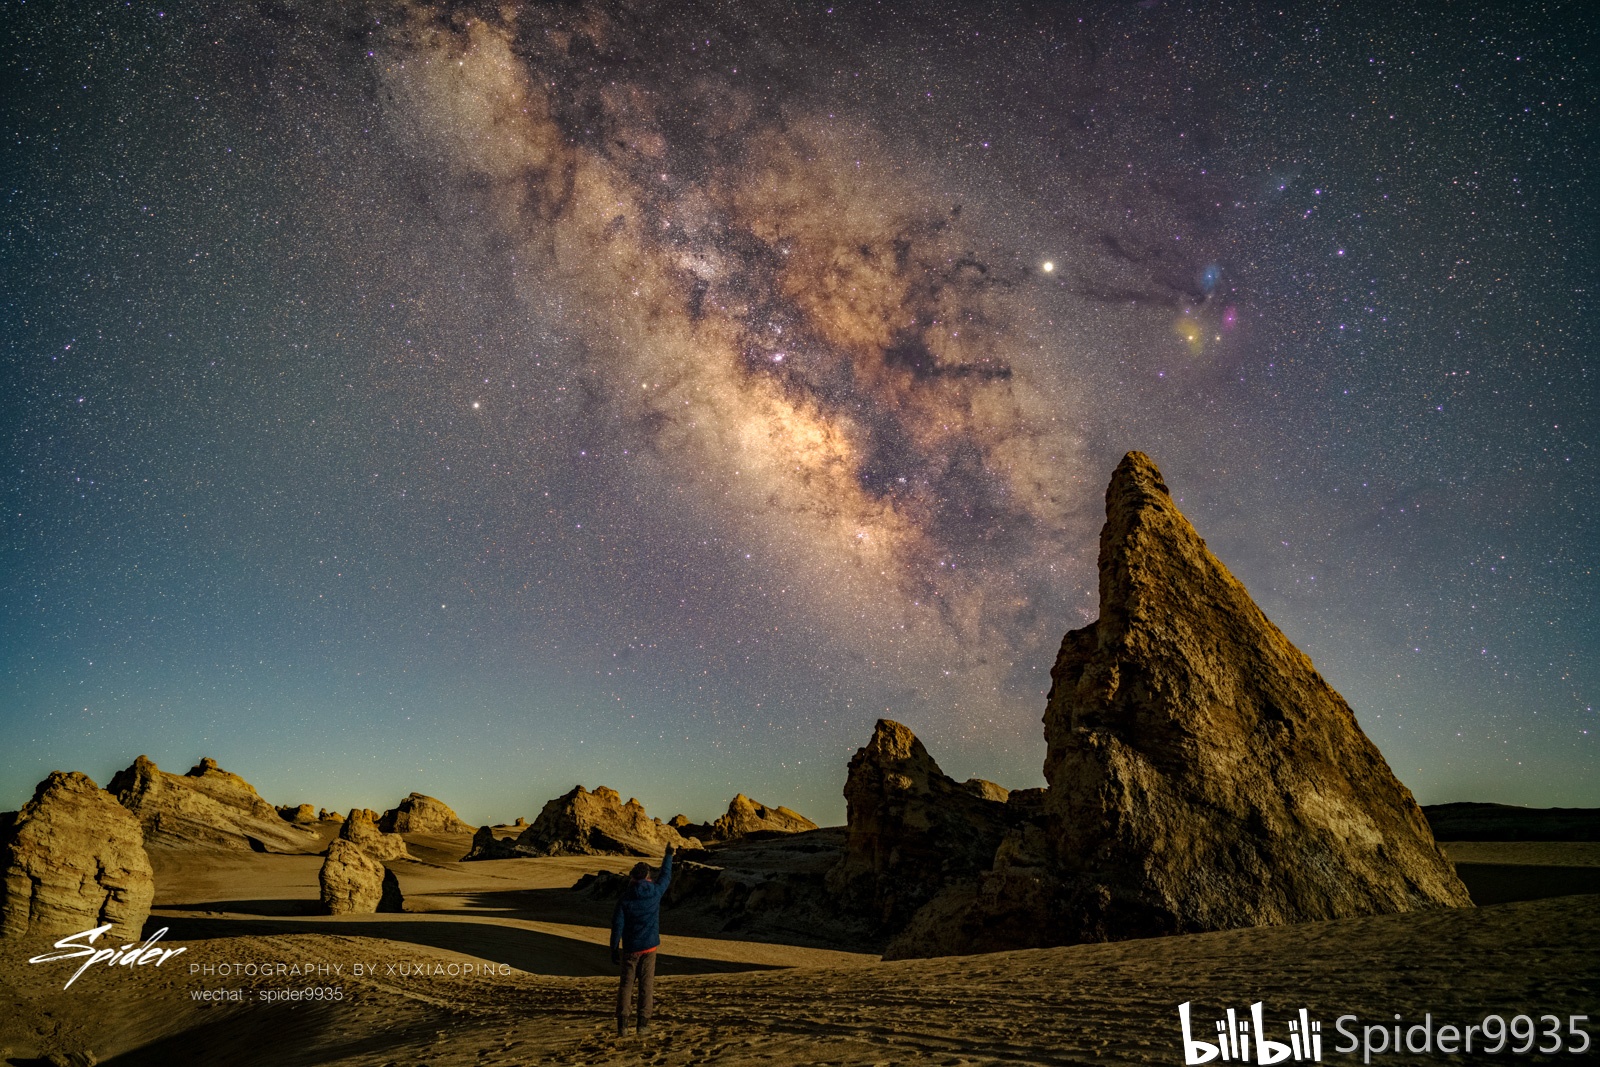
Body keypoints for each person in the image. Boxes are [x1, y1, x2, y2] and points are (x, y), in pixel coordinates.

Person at [610, 844, 674, 1038]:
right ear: (647, 876)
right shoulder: (655, 892)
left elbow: (617, 926)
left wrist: (614, 949)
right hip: (650, 947)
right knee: (647, 985)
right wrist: (668, 855)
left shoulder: (625, 898)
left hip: (630, 949)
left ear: (633, 877)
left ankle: (622, 1026)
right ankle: (643, 1025)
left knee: (626, 985)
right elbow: (666, 876)